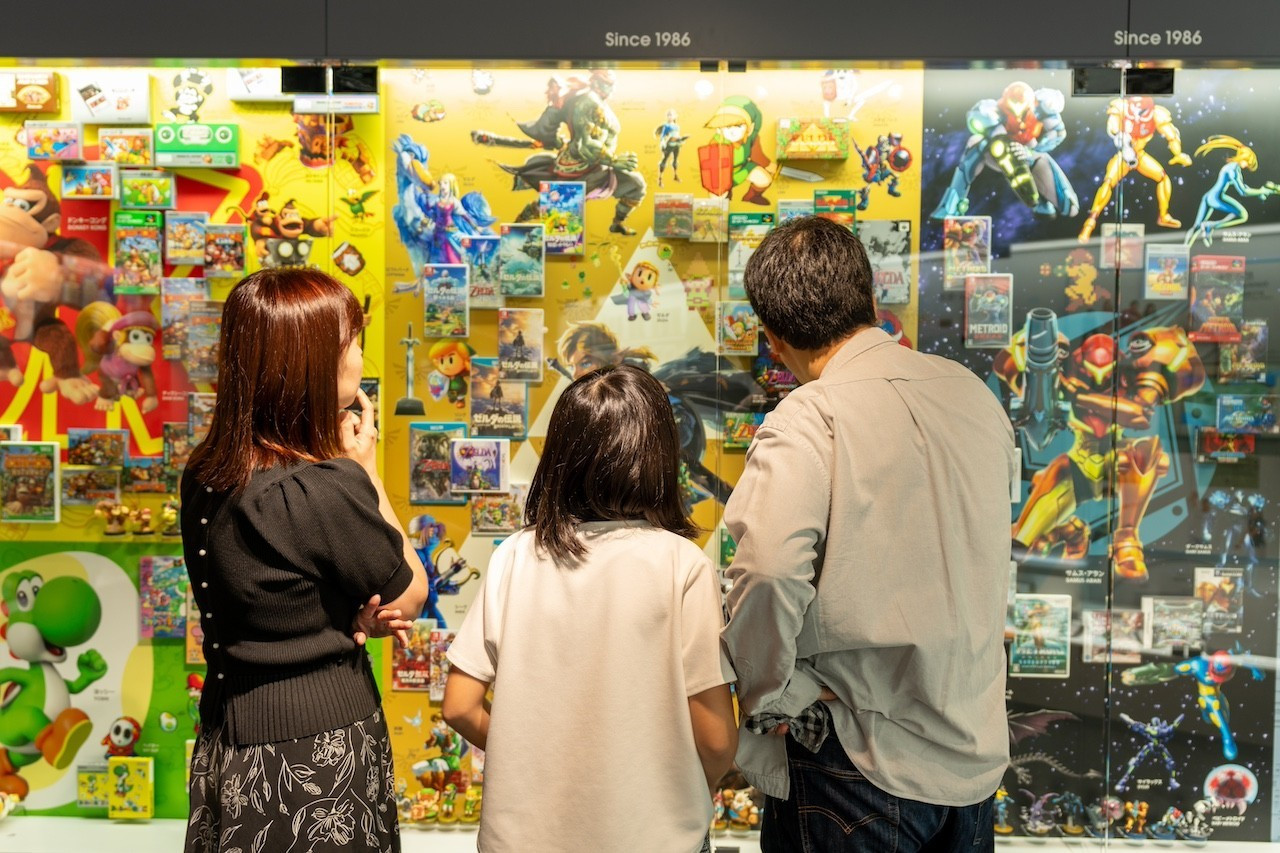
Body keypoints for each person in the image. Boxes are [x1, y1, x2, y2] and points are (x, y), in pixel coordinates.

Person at [722, 215, 1015, 852]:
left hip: (856, 758)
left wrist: (765, 694)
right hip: (973, 757)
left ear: (773, 339)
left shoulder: (810, 414)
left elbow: (768, 571)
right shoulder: (973, 395)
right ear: (870, 300)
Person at [180, 268, 429, 853]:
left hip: (228, 736)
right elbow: (408, 593)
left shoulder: (208, 470)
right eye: (353, 340)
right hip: (314, 748)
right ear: (312, 358)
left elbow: (272, 593)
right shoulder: (315, 486)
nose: (363, 354)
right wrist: (366, 471)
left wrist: (343, 614)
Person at [442, 365, 737, 853]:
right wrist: (685, 787)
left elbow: (459, 706)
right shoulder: (681, 565)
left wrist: (534, 765)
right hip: (651, 837)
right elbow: (715, 739)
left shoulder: (515, 555)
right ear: (661, 456)